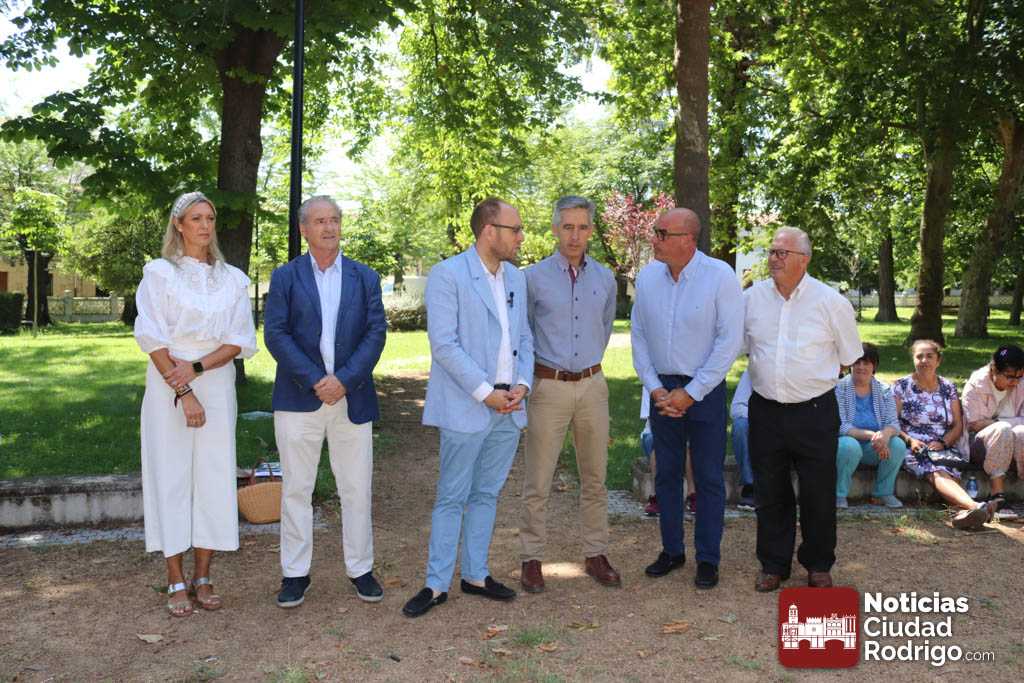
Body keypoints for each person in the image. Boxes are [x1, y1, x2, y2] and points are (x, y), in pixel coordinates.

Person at [403, 197, 534, 618]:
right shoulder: (448, 274)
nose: (521, 237)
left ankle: (476, 575)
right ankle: (436, 584)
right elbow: (444, 344)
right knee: (452, 496)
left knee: (487, 494)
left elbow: (524, 338)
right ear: (489, 231)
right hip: (467, 405)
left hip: (510, 407)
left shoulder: (516, 278)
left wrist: (522, 385)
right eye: (514, 229)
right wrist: (485, 392)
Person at [134, 191, 257, 616]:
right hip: (167, 382)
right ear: (178, 224)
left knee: (214, 476)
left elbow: (239, 339)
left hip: (216, 382)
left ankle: (203, 575)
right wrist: (183, 390)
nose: (205, 226)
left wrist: (198, 369)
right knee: (170, 475)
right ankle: (174, 576)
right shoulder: (159, 273)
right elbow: (151, 336)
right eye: (196, 218)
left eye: (210, 218)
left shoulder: (233, 279)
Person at [264, 195, 387, 608]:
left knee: (356, 488)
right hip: (299, 398)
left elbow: (376, 334)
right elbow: (275, 334)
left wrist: (345, 381)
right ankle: (295, 574)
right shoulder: (286, 277)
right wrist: (317, 380)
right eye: (320, 221)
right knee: (296, 489)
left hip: (352, 398)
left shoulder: (364, 277)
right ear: (304, 229)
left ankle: (361, 569)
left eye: (334, 219)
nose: (329, 227)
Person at [743, 227, 861, 592]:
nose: (774, 259)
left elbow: (849, 356)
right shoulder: (751, 299)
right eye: (772, 252)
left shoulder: (831, 302)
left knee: (818, 493)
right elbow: (740, 346)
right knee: (770, 491)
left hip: (815, 412)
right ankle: (773, 564)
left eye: (783, 253)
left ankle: (818, 563)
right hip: (765, 410)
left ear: (804, 260)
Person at [631, 207, 743, 590]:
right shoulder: (648, 278)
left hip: (705, 390)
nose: (655, 239)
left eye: (662, 233)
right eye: (655, 231)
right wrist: (655, 388)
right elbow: (639, 336)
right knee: (666, 473)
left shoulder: (720, 276)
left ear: (688, 240)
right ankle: (672, 550)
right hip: (662, 390)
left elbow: (729, 342)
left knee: (708, 476)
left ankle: (708, 558)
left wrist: (692, 393)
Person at [519, 196, 619, 593]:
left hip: (593, 386)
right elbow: (525, 333)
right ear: (555, 229)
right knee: (538, 480)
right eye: (567, 227)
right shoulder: (532, 278)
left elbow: (605, 329)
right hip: (549, 386)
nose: (575, 236)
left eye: (582, 227)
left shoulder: (606, 279)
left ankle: (596, 553)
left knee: (595, 477)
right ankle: (531, 558)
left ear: (591, 231)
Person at [894, 340, 999, 530]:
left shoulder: (948, 387)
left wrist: (943, 443)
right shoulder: (901, 386)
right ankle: (975, 506)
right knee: (935, 471)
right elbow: (891, 422)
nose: (924, 360)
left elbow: (958, 424)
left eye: (929, 356)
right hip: (913, 445)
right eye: (919, 356)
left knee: (947, 470)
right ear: (913, 359)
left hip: (944, 445)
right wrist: (910, 440)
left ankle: (964, 514)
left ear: (938, 360)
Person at [834, 342, 904, 509]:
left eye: (866, 363)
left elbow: (893, 423)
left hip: (875, 447)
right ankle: (839, 495)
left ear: (874, 366)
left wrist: (885, 435)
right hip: (847, 444)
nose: (861, 367)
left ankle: (883, 493)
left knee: (898, 445)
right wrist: (874, 436)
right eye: (857, 362)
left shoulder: (884, 389)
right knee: (849, 446)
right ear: (850, 365)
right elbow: (841, 426)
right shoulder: (839, 388)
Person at [962, 344, 1024, 506]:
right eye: (1010, 377)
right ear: (994, 370)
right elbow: (974, 424)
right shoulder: (977, 384)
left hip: (1014, 440)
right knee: (1002, 430)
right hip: (979, 444)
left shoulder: (1021, 382)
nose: (1015, 382)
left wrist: (996, 422)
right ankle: (997, 494)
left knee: (1021, 432)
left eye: (1019, 377)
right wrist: (1003, 423)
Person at [730, 370, 756, 511]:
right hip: (761, 419)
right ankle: (750, 485)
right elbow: (737, 407)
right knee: (740, 426)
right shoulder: (753, 370)